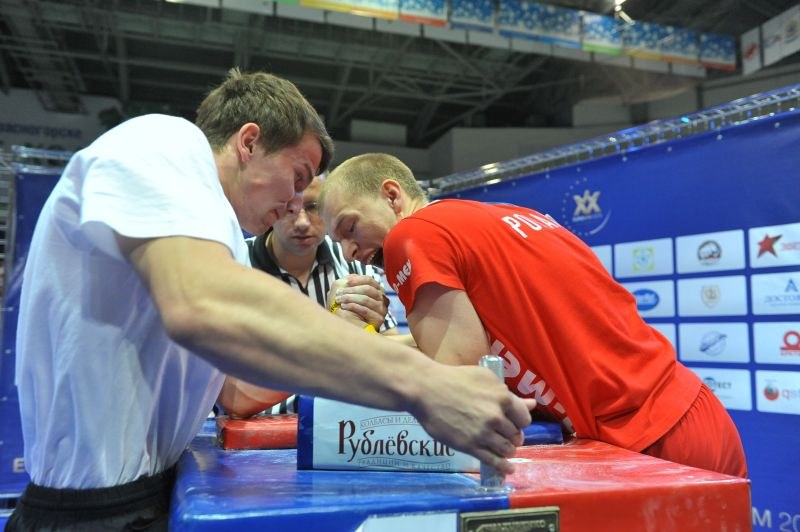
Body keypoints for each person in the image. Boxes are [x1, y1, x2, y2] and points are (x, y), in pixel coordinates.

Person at [9, 71, 534, 530]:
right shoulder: (162, 142)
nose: (295, 207)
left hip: (150, 496)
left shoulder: (215, 237)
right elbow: (204, 305)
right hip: (89, 512)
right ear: (248, 141)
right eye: (297, 178)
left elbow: (235, 391)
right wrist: (425, 386)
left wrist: (354, 338)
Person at [319, 152, 748, 479]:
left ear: (392, 195)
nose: (351, 252)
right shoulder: (506, 217)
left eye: (350, 228)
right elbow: (484, 336)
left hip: (651, 442)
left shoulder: (412, 235)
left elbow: (462, 374)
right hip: (693, 416)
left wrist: (352, 359)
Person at [219, 174, 411, 417]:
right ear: (273, 209)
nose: (301, 222)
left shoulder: (354, 259)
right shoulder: (234, 264)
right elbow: (232, 398)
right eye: (290, 208)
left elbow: (385, 355)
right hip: (255, 436)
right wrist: (337, 333)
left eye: (312, 207)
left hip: (340, 428)